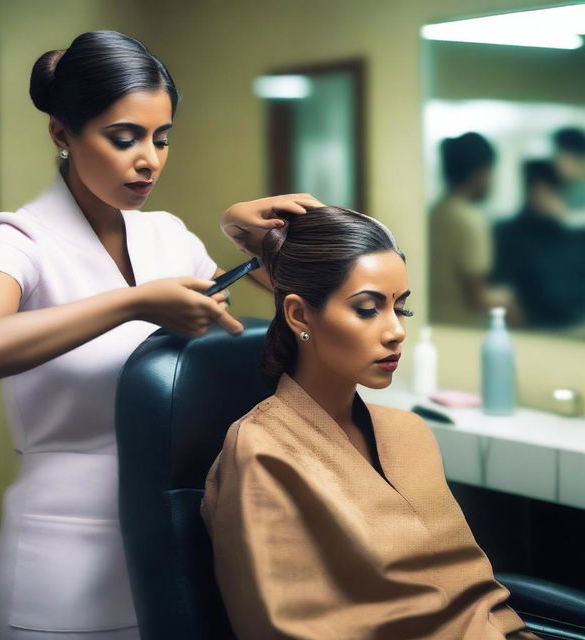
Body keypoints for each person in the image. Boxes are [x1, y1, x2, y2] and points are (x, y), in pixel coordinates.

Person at [0, 30, 320, 640]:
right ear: (62, 134)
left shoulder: (168, 236)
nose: (148, 159)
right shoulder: (20, 237)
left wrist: (236, 232)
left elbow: (284, 312)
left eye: (161, 138)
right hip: (64, 553)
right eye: (124, 138)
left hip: (175, 542)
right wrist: (131, 304)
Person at [201, 206, 541, 639]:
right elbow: (282, 626)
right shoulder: (262, 450)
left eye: (402, 309)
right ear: (300, 316)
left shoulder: (408, 433)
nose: (396, 330)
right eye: (368, 309)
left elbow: (470, 592)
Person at [429, 132, 519, 327]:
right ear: (480, 172)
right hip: (463, 330)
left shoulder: (437, 212)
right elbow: (477, 297)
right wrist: (509, 303)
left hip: (435, 323)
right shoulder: (470, 220)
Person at [493, 159, 585, 331]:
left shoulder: (573, 232)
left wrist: (565, 220)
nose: (542, 196)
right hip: (533, 327)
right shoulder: (509, 232)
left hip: (576, 325)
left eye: (548, 189)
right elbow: (502, 289)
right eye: (537, 189)